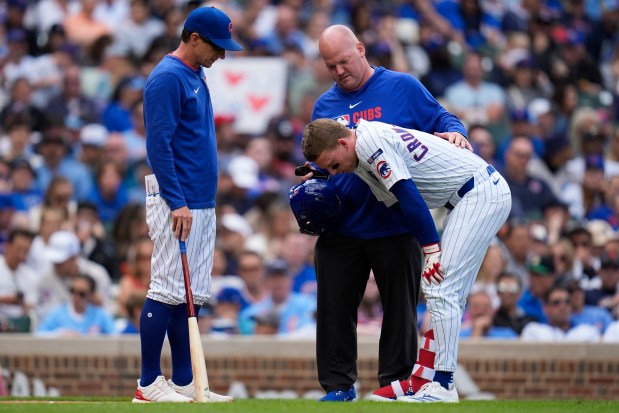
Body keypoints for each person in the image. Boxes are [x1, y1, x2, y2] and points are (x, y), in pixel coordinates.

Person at [306, 24, 471, 403]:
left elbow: (443, 119)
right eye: (330, 66)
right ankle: (337, 387)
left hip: (396, 221)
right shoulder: (324, 107)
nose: (339, 72)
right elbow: (321, 162)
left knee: (400, 311)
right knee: (333, 309)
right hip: (343, 223)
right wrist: (311, 181)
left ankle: (397, 384)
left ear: (361, 49)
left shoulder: (403, 87)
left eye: (344, 61)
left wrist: (456, 133)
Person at [301, 117, 512, 402]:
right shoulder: (358, 153)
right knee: (446, 292)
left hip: (479, 193)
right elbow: (399, 204)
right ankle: (422, 378)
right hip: (467, 197)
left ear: (342, 142)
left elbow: (409, 196)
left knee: (441, 288)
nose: (333, 172)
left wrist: (431, 249)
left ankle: (443, 384)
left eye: (333, 164)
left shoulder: (369, 143)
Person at [134, 6, 242, 404]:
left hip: (199, 200)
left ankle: (185, 382)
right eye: (217, 46)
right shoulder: (166, 78)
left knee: (189, 293)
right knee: (165, 287)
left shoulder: (194, 73)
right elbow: (157, 145)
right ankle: (148, 384)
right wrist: (176, 201)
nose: (222, 55)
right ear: (194, 38)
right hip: (176, 201)